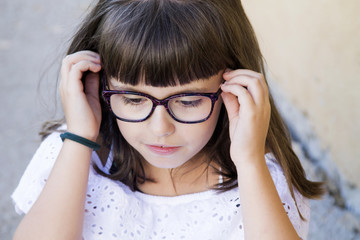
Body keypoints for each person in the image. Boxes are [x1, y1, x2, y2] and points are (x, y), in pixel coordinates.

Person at [12, 0, 324, 239]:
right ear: (98, 83)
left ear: (234, 87)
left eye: (188, 101)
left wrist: (249, 161)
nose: (160, 128)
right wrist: (80, 138)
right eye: (134, 99)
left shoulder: (258, 173)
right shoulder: (72, 154)